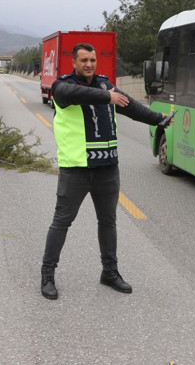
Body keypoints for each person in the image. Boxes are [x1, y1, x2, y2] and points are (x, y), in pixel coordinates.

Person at [40, 43, 168, 300]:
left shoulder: (104, 85)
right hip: (76, 169)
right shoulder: (63, 87)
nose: (89, 64)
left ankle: (110, 272)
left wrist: (158, 119)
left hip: (107, 169)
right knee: (62, 222)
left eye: (93, 60)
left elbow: (130, 106)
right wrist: (107, 96)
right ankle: (47, 275)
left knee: (108, 222)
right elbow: (75, 93)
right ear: (74, 63)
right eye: (84, 60)